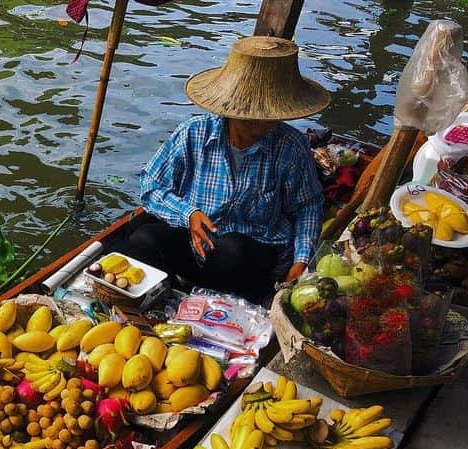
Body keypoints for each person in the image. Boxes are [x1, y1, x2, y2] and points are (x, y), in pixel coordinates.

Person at [125, 36, 331, 303]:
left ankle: (204, 304)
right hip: (195, 245)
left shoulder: (290, 146)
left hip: (250, 254)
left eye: (267, 120)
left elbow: (307, 206)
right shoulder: (193, 133)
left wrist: (301, 260)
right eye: (251, 121)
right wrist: (189, 214)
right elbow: (151, 185)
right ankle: (172, 297)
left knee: (231, 249)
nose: (260, 127)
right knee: (142, 239)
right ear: (231, 109)